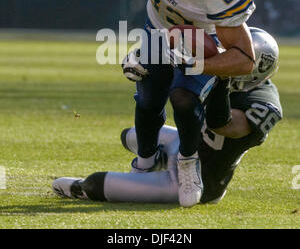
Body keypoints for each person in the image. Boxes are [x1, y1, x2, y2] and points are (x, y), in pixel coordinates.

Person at [13, 0, 256, 207]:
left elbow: (245, 59)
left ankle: (187, 162)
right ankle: (145, 159)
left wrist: (197, 64)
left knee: (183, 98)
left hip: (201, 40)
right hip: (158, 28)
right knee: (148, 96)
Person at [52, 27, 283, 205]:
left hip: (201, 179)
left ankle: (84, 188)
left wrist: (219, 80)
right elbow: (175, 57)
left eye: (237, 58)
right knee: (130, 136)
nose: (227, 59)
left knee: (95, 184)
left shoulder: (264, 103)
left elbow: (224, 126)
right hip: (186, 145)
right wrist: (145, 59)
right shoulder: (219, 68)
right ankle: (161, 159)